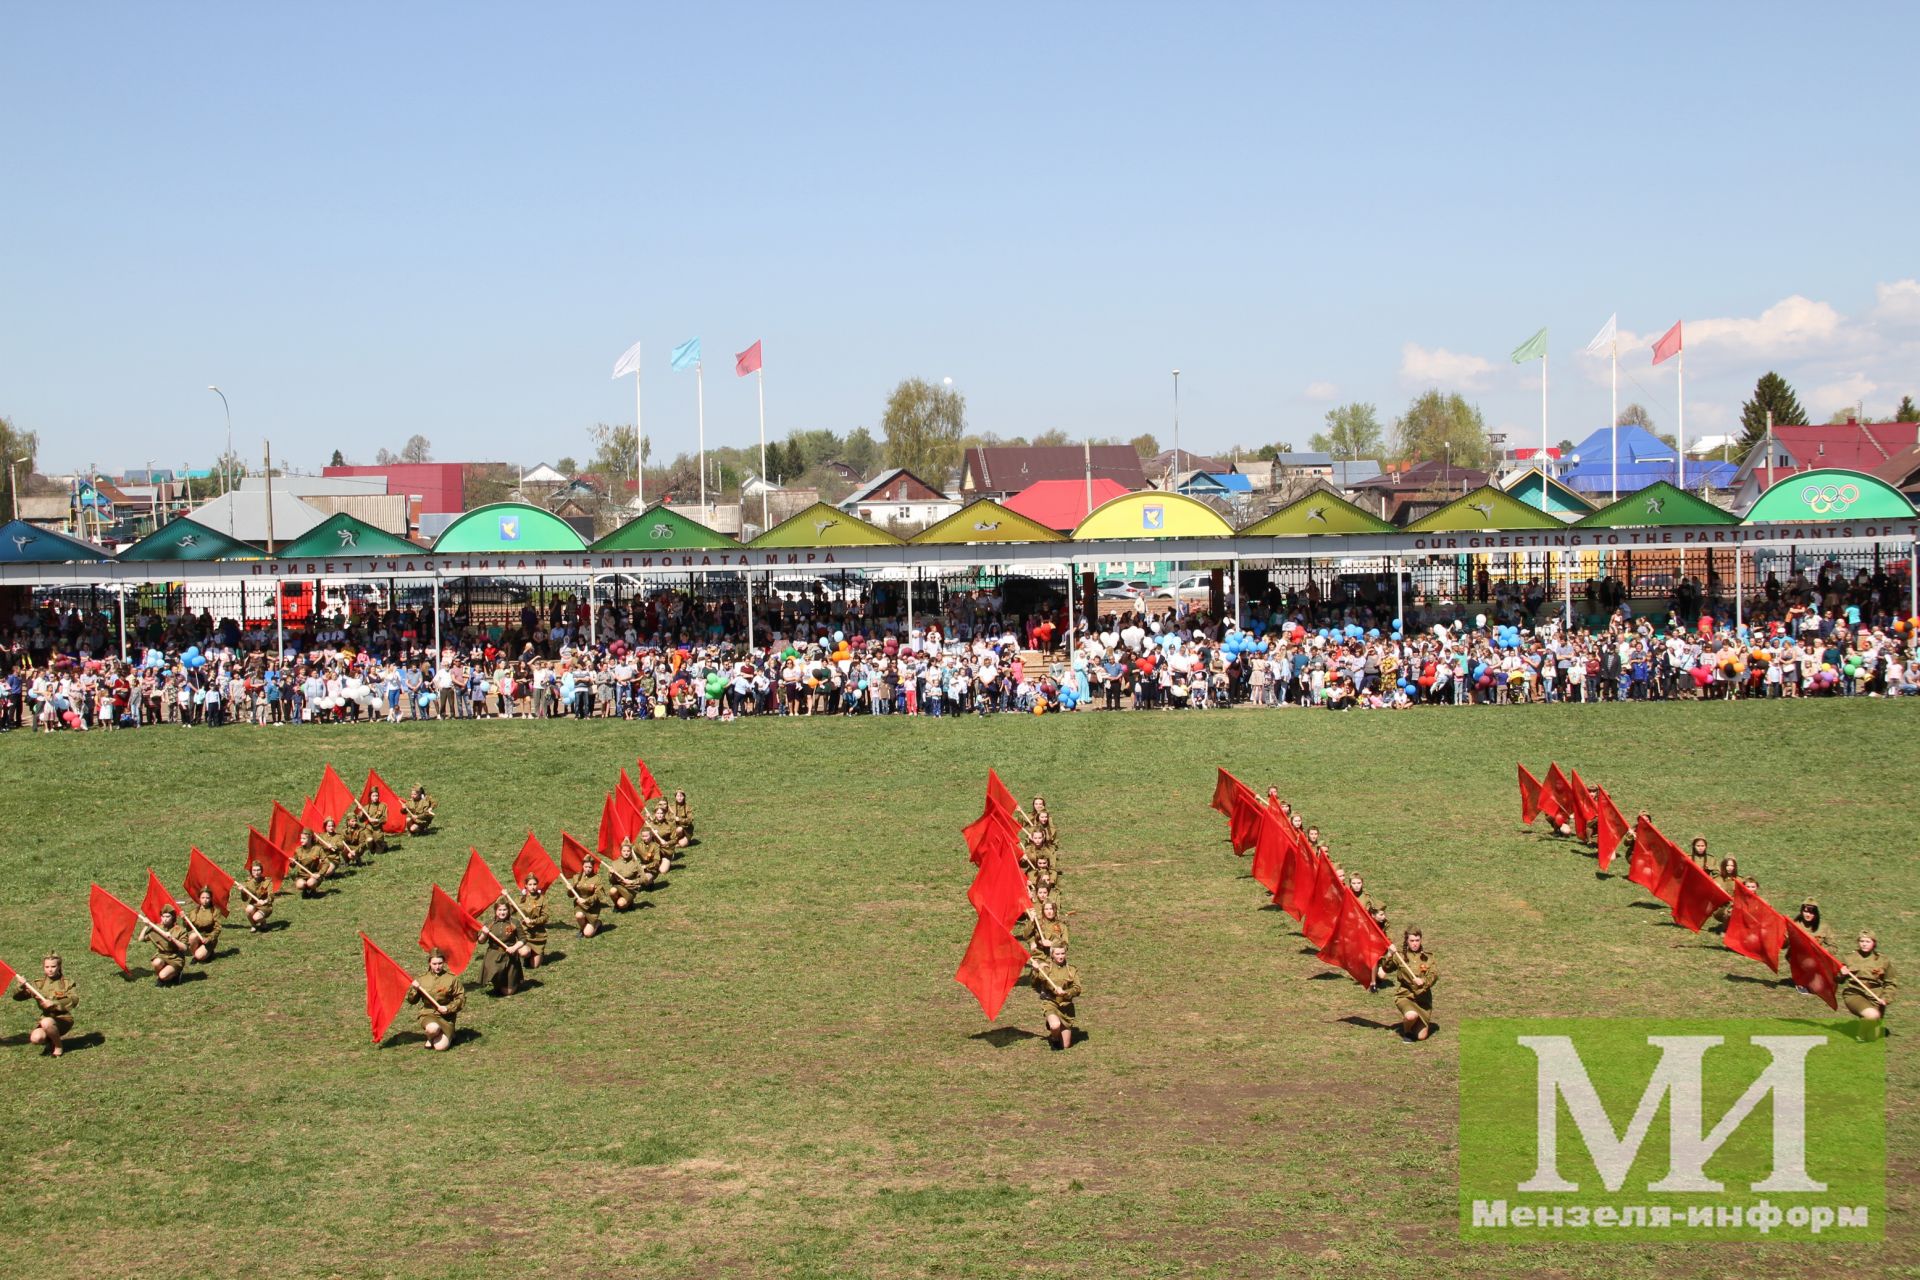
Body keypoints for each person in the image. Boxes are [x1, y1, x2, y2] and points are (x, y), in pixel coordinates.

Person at [1380, 925, 1438, 1043]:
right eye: (1412, 941)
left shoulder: (1428, 957)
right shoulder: (1400, 956)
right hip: (1405, 995)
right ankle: (1407, 1032)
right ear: (1407, 941)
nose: (1415, 943)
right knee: (1411, 1015)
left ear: (1421, 940)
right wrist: (1390, 955)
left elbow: (1434, 975)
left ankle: (1414, 1022)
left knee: (1421, 1036)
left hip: (1423, 1000)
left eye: (1417, 940)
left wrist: (1423, 982)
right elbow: (1385, 969)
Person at [12, 954, 77, 1057]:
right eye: (47, 967)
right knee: (36, 1038)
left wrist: (55, 1003)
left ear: (59, 967)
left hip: (63, 1018)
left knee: (46, 1022)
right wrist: (21, 986)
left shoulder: (67, 983)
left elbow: (74, 1000)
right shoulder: (37, 984)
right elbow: (17, 998)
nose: (50, 970)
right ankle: (51, 1041)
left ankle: (58, 1047)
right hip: (46, 1018)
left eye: (53, 966)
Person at [1028, 942, 1082, 1050]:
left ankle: (1056, 1029)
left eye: (1062, 953)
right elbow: (1034, 984)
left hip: (1066, 1007)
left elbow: (1078, 988)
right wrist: (1035, 970)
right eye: (1057, 954)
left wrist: (1066, 992)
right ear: (1052, 954)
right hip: (1051, 1002)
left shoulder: (1071, 970)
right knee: (1055, 1025)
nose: (1060, 956)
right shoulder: (1046, 968)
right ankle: (1054, 1038)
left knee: (1066, 1046)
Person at [407, 949, 464, 1050]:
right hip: (428, 1014)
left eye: (440, 963)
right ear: (429, 963)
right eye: (434, 964)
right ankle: (430, 1038)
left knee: (440, 1047)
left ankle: (450, 1034)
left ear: (444, 963)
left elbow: (461, 998)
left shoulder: (452, 979)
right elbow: (412, 1001)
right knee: (433, 1028)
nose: (437, 967)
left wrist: (448, 1008)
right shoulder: (422, 979)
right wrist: (414, 990)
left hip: (446, 1017)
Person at [1839, 933, 1893, 1028]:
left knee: (1873, 1033)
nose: (1864, 944)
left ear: (1874, 943)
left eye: (1868, 941)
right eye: (1862, 941)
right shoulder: (1849, 957)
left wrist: (1886, 998)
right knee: (1872, 1015)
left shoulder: (1883, 960)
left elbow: (1890, 983)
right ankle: (1861, 1037)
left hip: (1876, 996)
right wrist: (1841, 974)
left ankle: (1865, 1030)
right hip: (1854, 992)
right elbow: (1837, 979)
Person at [479, 901, 528, 996]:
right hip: (493, 955)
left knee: (508, 993)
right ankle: (497, 983)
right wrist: (484, 933)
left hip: (510, 956)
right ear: (495, 911)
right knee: (494, 972)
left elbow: (523, 939)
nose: (502, 912)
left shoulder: (514, 922)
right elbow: (481, 941)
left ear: (508, 910)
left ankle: (513, 982)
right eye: (500, 910)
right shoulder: (489, 923)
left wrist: (514, 947)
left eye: (504, 909)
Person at [143, 905, 190, 984]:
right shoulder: (157, 928)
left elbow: (185, 948)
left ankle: (176, 974)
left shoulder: (180, 930)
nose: (165, 919)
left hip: (175, 958)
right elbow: (141, 938)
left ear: (173, 917)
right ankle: (163, 976)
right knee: (156, 963)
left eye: (168, 916)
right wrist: (146, 925)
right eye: (163, 916)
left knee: (163, 975)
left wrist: (173, 939)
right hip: (162, 955)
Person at [517, 875, 549, 968]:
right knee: (524, 952)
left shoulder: (542, 899)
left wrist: (533, 921)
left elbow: (545, 917)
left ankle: (539, 952)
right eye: (530, 884)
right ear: (526, 886)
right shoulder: (520, 899)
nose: (533, 887)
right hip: (525, 934)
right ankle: (526, 955)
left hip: (538, 936)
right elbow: (508, 910)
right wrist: (504, 895)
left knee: (535, 966)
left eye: (534, 884)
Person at [185, 886, 223, 963]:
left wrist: (209, 938)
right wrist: (184, 920)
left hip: (208, 939)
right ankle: (195, 955)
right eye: (203, 898)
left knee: (200, 956)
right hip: (197, 937)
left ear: (211, 898)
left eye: (207, 898)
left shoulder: (215, 911)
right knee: (192, 936)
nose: (205, 900)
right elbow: (188, 928)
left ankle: (209, 953)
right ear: (199, 898)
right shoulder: (193, 912)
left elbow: (217, 928)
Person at [607, 839, 645, 911]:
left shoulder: (635, 863)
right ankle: (616, 906)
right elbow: (611, 881)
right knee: (612, 891)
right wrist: (611, 874)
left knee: (621, 904)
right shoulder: (615, 863)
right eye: (624, 851)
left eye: (628, 851)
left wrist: (632, 881)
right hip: (619, 886)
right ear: (621, 851)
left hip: (630, 889)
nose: (626, 853)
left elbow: (644, 879)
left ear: (631, 852)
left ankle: (629, 903)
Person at [572, 855, 605, 938]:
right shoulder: (577, 877)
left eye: (590, 867)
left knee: (588, 934)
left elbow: (599, 895)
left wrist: (586, 900)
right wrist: (571, 888)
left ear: (593, 867)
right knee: (579, 915)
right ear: (583, 866)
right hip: (580, 906)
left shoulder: (597, 878)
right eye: (586, 866)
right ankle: (582, 928)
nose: (588, 869)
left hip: (592, 908)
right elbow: (570, 894)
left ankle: (597, 923)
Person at [293, 829, 333, 898]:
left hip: (314, 875)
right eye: (301, 838)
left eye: (304, 838)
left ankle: (313, 890)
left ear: (310, 838)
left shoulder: (318, 849)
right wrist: (292, 862)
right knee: (300, 885)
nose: (301, 840)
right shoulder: (298, 850)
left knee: (311, 883)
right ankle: (305, 889)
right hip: (302, 875)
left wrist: (320, 874)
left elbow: (326, 863)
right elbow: (293, 865)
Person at [241, 860, 274, 931]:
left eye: (258, 870)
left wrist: (265, 901)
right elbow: (245, 899)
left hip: (265, 906)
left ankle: (263, 922)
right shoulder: (248, 883)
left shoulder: (267, 881)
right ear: (251, 871)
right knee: (248, 909)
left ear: (261, 871)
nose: (256, 872)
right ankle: (253, 925)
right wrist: (243, 892)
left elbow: (271, 895)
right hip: (254, 904)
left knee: (256, 918)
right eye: (254, 870)